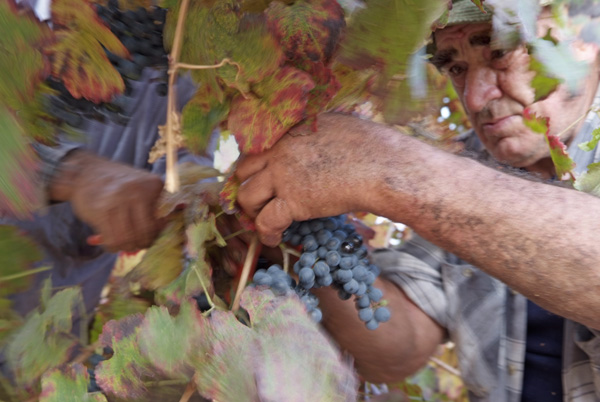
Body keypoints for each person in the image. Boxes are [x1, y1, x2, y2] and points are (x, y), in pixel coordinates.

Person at [234, 1, 600, 401]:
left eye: (498, 53)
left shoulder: (445, 180)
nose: (475, 99)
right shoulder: (471, 164)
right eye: (456, 68)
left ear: (584, 39)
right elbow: (399, 351)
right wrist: (295, 232)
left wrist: (384, 166)